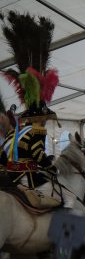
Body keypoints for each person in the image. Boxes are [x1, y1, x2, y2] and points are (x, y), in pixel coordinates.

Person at [0, 11, 60, 189]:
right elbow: (36, 153)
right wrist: (50, 166)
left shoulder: (16, 132)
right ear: (40, 118)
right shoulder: (37, 132)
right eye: (44, 119)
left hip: (8, 175)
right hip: (27, 178)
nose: (45, 121)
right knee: (57, 194)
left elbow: (4, 154)